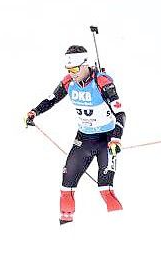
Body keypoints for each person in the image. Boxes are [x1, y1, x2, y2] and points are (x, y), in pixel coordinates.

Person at [25, 45, 126, 224]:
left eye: (74, 69)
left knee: (105, 190)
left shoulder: (102, 82)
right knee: (66, 187)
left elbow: (121, 113)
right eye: (68, 69)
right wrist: (35, 112)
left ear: (85, 64)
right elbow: (51, 99)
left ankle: (119, 226)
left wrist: (116, 138)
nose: (71, 73)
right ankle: (65, 228)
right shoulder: (68, 82)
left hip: (106, 139)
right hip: (84, 139)